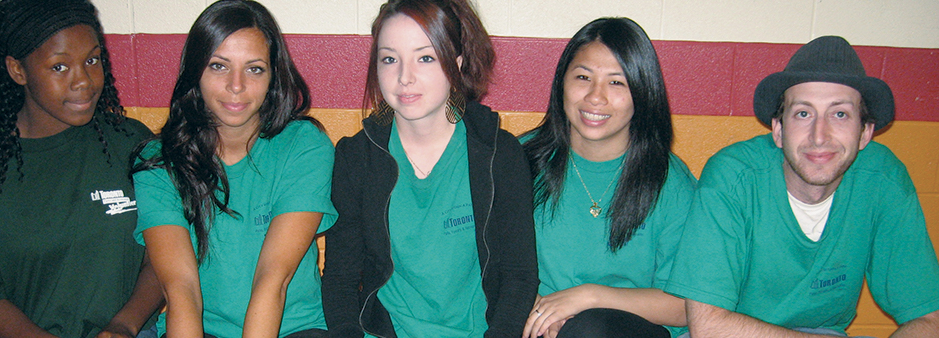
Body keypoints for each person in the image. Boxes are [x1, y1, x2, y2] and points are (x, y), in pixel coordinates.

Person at [665, 36, 939, 337]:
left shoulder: (883, 181)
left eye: (840, 114)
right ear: (779, 130)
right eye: (803, 113)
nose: (819, 135)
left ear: (865, 133)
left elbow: (930, 320)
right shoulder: (733, 177)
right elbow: (709, 326)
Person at [0, 0, 164, 337]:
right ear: (18, 70)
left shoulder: (131, 144)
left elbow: (165, 254)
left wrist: (124, 325)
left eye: (92, 60)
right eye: (60, 67)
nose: (84, 81)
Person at [320, 0, 539, 337]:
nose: (405, 77)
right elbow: (340, 279)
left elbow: (518, 275)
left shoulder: (499, 154)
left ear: (457, 62)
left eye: (425, 57)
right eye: (390, 59)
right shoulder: (356, 157)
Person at [131, 0, 336, 337]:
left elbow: (274, 279)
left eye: (254, 68)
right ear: (196, 71)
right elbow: (181, 290)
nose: (236, 85)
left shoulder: (303, 146)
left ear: (273, 75)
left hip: (294, 329)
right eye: (219, 66)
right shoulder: (160, 160)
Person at [519, 17, 695, 338]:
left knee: (590, 329)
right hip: (533, 325)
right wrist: (539, 310)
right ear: (562, 83)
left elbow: (685, 304)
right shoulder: (520, 160)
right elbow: (486, 262)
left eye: (617, 82)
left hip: (627, 331)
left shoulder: (670, 181)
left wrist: (586, 297)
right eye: (583, 77)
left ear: (642, 93)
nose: (596, 97)